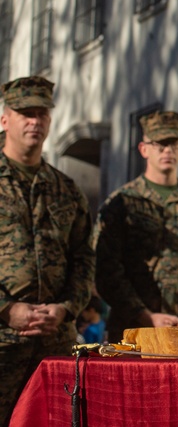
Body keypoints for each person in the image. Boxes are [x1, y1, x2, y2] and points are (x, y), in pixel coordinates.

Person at [0, 76, 96, 426]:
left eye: (41, 113)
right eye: (25, 112)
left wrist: (67, 307)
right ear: (4, 119)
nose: (34, 121)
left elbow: (85, 258)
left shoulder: (66, 189)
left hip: (54, 346)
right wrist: (6, 310)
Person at [96, 111, 178, 343]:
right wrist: (145, 315)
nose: (167, 150)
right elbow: (106, 270)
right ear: (144, 149)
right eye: (159, 144)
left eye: (173, 143)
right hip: (132, 333)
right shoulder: (122, 204)